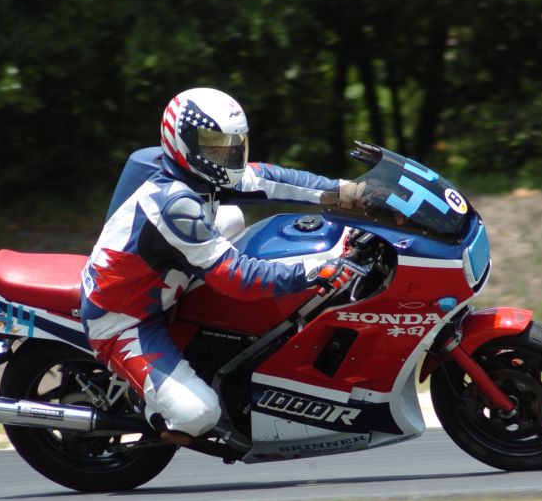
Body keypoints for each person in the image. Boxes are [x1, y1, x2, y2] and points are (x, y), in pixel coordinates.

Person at [80, 87, 359, 445]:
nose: (225, 154)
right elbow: (236, 278)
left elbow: (273, 179)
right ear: (182, 141)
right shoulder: (173, 204)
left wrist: (348, 191)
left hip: (161, 279)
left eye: (232, 144)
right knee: (199, 415)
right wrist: (314, 272)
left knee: (232, 216)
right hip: (126, 319)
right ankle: (148, 407)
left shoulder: (189, 173)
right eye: (213, 145)